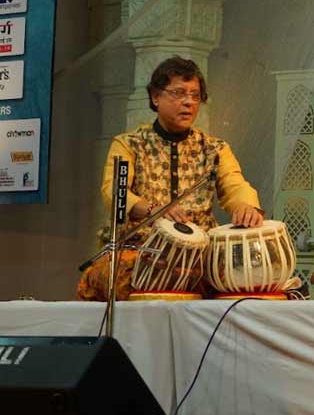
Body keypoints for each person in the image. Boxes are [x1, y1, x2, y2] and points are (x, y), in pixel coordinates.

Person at [77, 56, 263, 300]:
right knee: (110, 276)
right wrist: (152, 209)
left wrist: (247, 207)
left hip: (200, 257)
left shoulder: (215, 149)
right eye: (178, 93)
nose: (188, 102)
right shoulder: (128, 145)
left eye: (195, 95)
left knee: (252, 280)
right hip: (142, 252)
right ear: (156, 97)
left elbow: (236, 185)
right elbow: (114, 192)